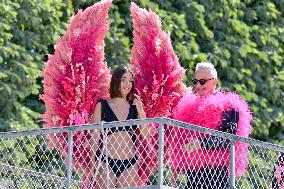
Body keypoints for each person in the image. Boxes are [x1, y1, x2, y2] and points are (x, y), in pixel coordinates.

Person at [170, 62, 252, 189]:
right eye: (195, 81)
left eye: (202, 81)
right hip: (193, 173)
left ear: (214, 81)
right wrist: (175, 170)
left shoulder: (229, 106)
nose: (197, 85)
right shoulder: (189, 107)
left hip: (216, 174)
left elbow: (228, 139)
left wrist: (201, 143)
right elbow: (180, 141)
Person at [89, 66, 148, 188]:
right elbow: (95, 136)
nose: (128, 84)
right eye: (123, 79)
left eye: (130, 80)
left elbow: (145, 134)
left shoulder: (134, 106)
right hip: (107, 161)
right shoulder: (102, 105)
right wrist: (91, 162)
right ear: (116, 81)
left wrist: (141, 112)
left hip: (130, 163)